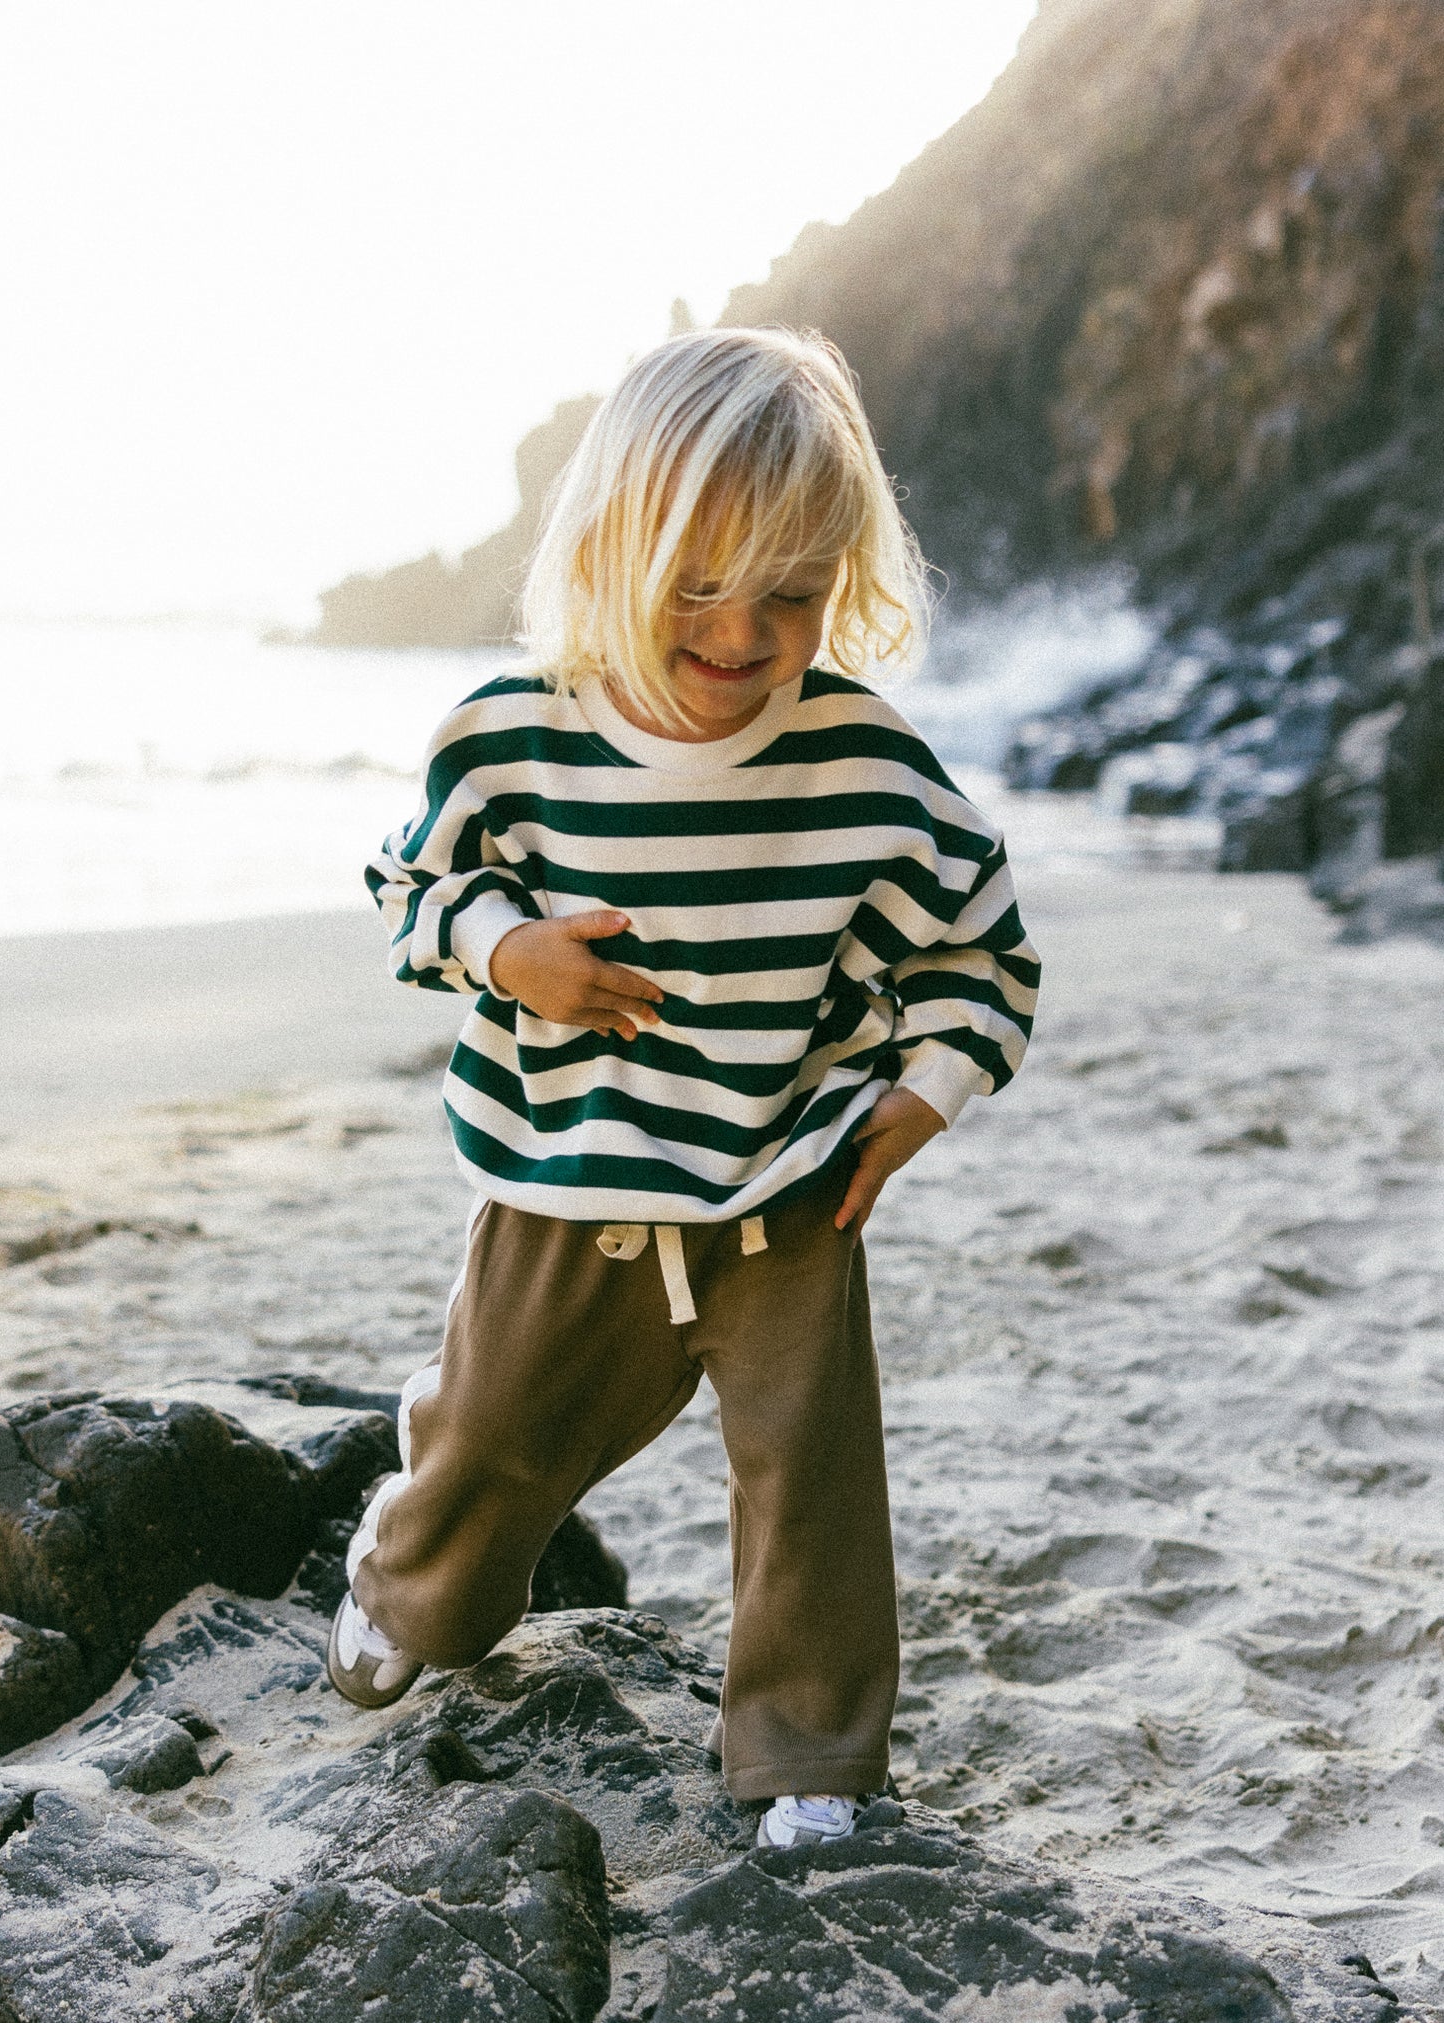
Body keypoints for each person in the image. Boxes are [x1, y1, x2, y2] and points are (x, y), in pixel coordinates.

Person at [328, 326, 1039, 1851]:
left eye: (789, 594)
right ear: (605, 555)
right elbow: (410, 892)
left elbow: (981, 959)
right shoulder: (516, 737)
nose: (737, 633)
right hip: (562, 1176)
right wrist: (509, 951)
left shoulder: (864, 769)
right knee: (493, 1437)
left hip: (785, 1183)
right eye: (692, 588)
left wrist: (918, 1103)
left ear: (841, 580)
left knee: (811, 1480)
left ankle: (807, 1756)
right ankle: (410, 1584)